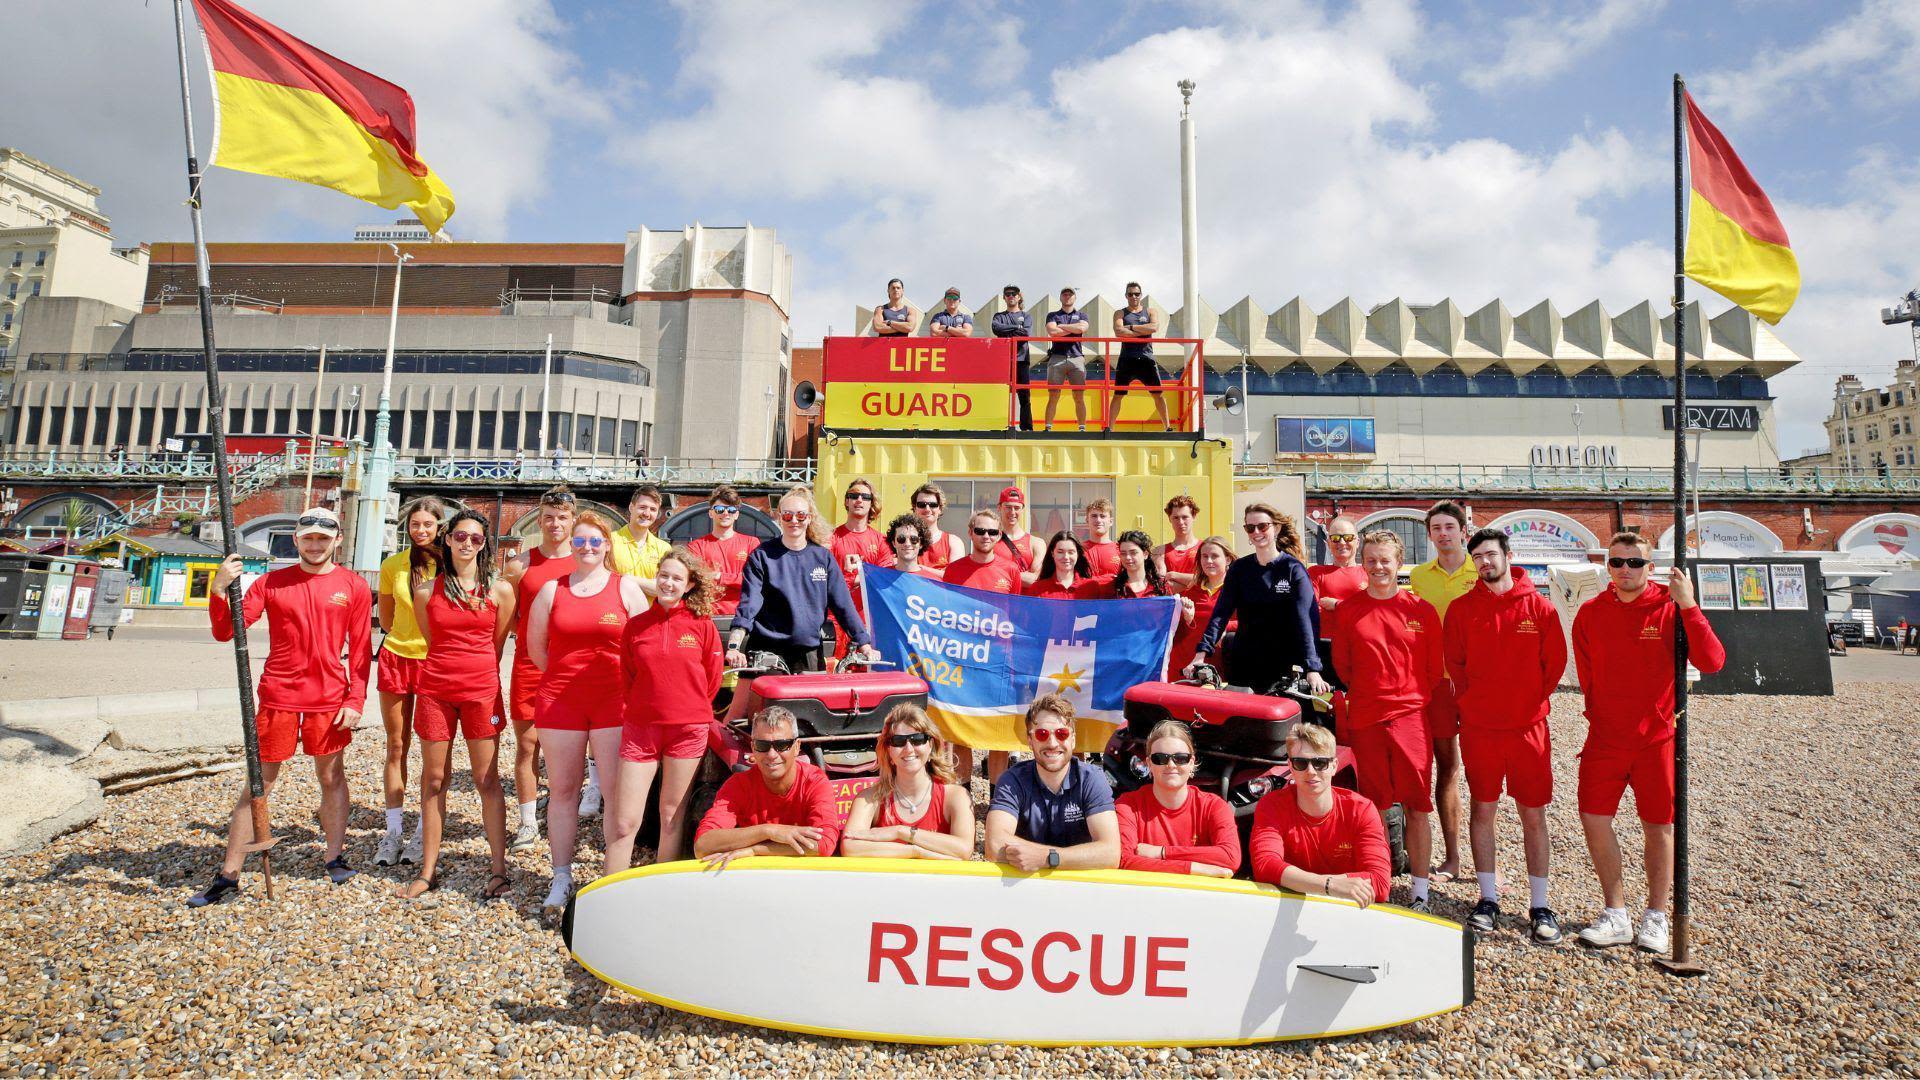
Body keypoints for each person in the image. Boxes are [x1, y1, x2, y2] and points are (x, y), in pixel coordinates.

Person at [190, 507, 370, 906]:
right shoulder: (270, 583)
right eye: (308, 538)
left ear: (337, 540)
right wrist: (219, 590)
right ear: (296, 539)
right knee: (260, 783)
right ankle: (229, 873)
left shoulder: (353, 586)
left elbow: (360, 651)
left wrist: (356, 699)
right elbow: (226, 633)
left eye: (323, 538)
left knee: (331, 777)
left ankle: (334, 855)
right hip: (279, 695)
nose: (315, 544)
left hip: (330, 698)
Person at [1571, 532, 1726, 953]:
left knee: (1658, 826)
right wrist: (1600, 713)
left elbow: (1712, 661)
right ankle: (1616, 912)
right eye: (1616, 563)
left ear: (1650, 567)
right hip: (1604, 737)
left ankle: (1656, 915)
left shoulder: (1670, 608)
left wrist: (1689, 603)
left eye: (1634, 563)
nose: (1625, 570)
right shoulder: (1590, 612)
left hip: (1656, 738)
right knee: (1593, 817)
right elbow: (1586, 670)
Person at [1444, 527, 1567, 942]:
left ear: (1508, 555)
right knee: (1483, 809)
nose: (1485, 563)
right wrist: (1476, 704)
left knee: (1533, 815)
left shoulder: (1540, 608)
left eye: (1491, 554)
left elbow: (1554, 667)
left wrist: (1526, 704)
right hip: (1480, 730)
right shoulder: (1462, 610)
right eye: (1477, 556)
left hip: (1528, 729)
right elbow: (1455, 666)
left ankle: (1540, 905)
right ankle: (1488, 897)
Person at [527, 512, 649, 910]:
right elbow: (536, 650)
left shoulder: (626, 588)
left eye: (595, 542)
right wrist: (567, 677)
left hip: (614, 701)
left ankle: (612, 877)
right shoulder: (551, 590)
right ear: (571, 546)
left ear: (607, 546)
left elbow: (642, 647)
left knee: (614, 793)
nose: (587, 548)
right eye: (580, 542)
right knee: (563, 791)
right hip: (561, 700)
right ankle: (561, 876)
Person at [403, 509, 516, 901]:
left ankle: (498, 869)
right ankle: (428, 869)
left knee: (487, 779)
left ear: (484, 545)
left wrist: (475, 670)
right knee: (434, 780)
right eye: (461, 536)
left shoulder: (499, 590)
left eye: (477, 538)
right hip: (436, 690)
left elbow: (497, 645)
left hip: (481, 691)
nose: (468, 543)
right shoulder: (424, 592)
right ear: (447, 539)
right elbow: (431, 639)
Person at [1330, 530, 1444, 911]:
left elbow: (1432, 669)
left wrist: (1406, 695)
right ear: (1363, 562)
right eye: (1372, 560)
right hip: (1366, 715)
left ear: (1399, 563)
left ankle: (1420, 891)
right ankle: (1378, 882)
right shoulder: (1348, 610)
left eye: (1386, 560)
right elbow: (1343, 667)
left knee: (1417, 805)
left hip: (1411, 716)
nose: (1379, 567)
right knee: (1374, 804)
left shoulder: (1421, 610)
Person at [607, 548, 724, 873]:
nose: (668, 583)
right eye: (664, 576)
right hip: (641, 730)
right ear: (655, 578)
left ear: (688, 585)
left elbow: (711, 681)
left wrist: (687, 708)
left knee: (672, 815)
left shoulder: (702, 626)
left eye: (676, 578)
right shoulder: (636, 626)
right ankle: (611, 891)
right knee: (624, 821)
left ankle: (659, 890)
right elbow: (628, 678)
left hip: (687, 731)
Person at [727, 486, 875, 674]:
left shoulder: (823, 558)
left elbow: (843, 606)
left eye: (801, 516)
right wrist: (734, 644)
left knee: (811, 703)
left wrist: (864, 644)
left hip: (809, 652)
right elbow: (750, 603)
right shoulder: (762, 556)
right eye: (788, 515)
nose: (794, 521)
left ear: (809, 518)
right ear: (779, 517)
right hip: (768, 653)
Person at [502, 485, 577, 851]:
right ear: (540, 519)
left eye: (562, 517)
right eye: (548, 517)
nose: (555, 524)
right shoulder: (519, 565)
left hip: (570, 666)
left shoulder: (585, 561)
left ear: (572, 520)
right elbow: (504, 619)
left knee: (569, 744)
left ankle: (566, 809)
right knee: (528, 743)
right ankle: (528, 820)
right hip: (529, 664)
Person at [1186, 504, 1328, 697]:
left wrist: (1313, 668)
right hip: (1245, 661)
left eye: (1262, 526)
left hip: (1283, 663)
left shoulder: (1293, 569)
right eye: (1250, 528)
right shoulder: (1240, 569)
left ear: (1276, 528)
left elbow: (1307, 620)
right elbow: (1221, 614)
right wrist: (1201, 653)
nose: (1256, 532)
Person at [373, 496, 446, 867]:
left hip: (435, 661)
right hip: (397, 657)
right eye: (415, 525)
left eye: (427, 525)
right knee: (396, 744)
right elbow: (386, 619)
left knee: (434, 749)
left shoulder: (449, 564)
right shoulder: (393, 565)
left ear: (439, 527)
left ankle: (425, 829)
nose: (420, 531)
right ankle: (393, 829)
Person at [1249, 723, 1391, 907]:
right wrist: (1328, 885)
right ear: (1290, 767)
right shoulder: (1272, 805)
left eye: (1320, 763)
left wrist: (1317, 884)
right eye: (1301, 763)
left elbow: (1380, 882)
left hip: (1347, 911)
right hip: (1290, 907)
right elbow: (1265, 866)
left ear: (1334, 766)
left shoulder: (1361, 809)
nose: (1311, 771)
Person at [1409, 500, 1475, 884]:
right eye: (1437, 528)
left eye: (1450, 527)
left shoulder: (1481, 570)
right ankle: (1452, 858)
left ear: (1463, 530)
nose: (1444, 534)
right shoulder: (1419, 577)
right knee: (1447, 768)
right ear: (1430, 534)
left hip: (1477, 684)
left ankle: (1487, 861)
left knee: (1484, 775)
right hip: (1437, 684)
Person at [985, 695, 1120, 871]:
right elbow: (994, 846)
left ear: (1073, 739)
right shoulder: (1012, 781)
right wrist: (1077, 857)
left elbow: (1110, 853)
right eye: (1042, 734)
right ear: (1029, 740)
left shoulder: (1092, 779)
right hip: (1025, 886)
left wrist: (1048, 858)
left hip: (1080, 886)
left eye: (1061, 733)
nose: (1052, 743)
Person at [694, 706, 841, 867]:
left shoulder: (814, 781)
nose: (771, 754)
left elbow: (824, 844)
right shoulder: (738, 785)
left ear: (797, 747)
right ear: (753, 748)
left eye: (782, 745)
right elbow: (702, 845)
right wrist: (769, 831)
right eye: (763, 745)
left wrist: (756, 850)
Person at [840, 704, 976, 859]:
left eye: (917, 739)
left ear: (930, 745)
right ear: (888, 750)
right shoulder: (870, 798)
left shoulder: (955, 796)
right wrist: (915, 851)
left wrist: (901, 832)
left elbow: (964, 849)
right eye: (898, 741)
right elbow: (850, 847)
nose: (909, 748)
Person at [1115, 720, 1239, 877]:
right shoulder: (1128, 805)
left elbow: (1230, 857)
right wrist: (1195, 868)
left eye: (1180, 758)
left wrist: (1162, 852)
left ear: (1192, 763)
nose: (1171, 765)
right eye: (1160, 758)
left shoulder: (1214, 806)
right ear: (1149, 764)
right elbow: (1123, 860)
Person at [831, 478, 894, 656]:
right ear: (846, 501)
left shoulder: (881, 542)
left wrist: (857, 577)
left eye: (865, 497)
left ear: (871, 503)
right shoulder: (831, 538)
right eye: (854, 495)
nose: (859, 500)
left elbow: (883, 580)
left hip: (869, 619)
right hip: (837, 619)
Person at [686, 484, 760, 615]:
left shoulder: (751, 543)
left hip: (743, 614)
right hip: (707, 613)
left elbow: (754, 580)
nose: (725, 513)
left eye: (731, 509)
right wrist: (736, 578)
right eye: (719, 509)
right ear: (710, 513)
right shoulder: (696, 546)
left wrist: (720, 576)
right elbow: (697, 580)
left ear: (736, 514)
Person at [1107, 282, 1172, 432]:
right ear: (1126, 296)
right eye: (1130, 294)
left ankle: (1167, 427)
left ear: (1141, 295)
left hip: (1146, 358)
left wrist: (1129, 328)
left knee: (1158, 394)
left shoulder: (1150, 311)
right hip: (1127, 359)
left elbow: (1154, 328)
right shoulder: (1120, 313)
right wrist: (1142, 331)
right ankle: (1109, 428)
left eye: (1136, 294)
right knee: (1118, 394)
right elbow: (1118, 331)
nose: (1134, 297)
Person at [1170, 536, 1233, 675]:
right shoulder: (1192, 591)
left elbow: (1252, 623)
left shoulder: (1238, 591)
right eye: (1204, 556)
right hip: (1185, 667)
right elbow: (1175, 631)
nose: (1209, 561)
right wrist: (1188, 619)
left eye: (1214, 556)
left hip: (1221, 669)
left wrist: (1227, 627)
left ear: (1228, 559)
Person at [1308, 515, 1368, 643]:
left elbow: (1371, 612)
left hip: (1360, 644)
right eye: (1335, 538)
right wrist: (1354, 608)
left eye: (1348, 538)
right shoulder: (1315, 573)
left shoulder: (1369, 573)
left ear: (1357, 542)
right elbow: (1311, 608)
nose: (1341, 542)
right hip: (1325, 645)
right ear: (1329, 543)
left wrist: (1337, 604)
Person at [1041, 287, 1091, 432]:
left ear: (1075, 297)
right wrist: (1072, 329)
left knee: (1079, 396)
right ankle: (1048, 427)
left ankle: (1082, 428)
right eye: (1065, 294)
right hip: (1057, 357)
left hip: (1077, 358)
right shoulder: (1052, 315)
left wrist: (1061, 326)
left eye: (1070, 294)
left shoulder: (1082, 315)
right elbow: (1052, 331)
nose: (1067, 296)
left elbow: (1082, 328)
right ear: (1061, 297)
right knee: (1054, 395)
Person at [609, 483, 672, 594]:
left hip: (651, 611)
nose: (647, 513)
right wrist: (650, 584)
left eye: (653, 509)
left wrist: (627, 579)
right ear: (631, 507)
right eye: (642, 507)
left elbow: (664, 589)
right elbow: (604, 582)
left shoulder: (664, 549)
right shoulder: (610, 541)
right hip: (617, 610)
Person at [942, 509, 1020, 594]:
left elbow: (1015, 606)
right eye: (980, 531)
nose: (986, 536)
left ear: (999, 536)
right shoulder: (953, 570)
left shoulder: (1011, 570)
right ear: (970, 533)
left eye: (992, 532)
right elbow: (947, 604)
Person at [992, 284, 1034, 431]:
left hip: (1022, 359)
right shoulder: (999, 316)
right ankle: (1000, 426)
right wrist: (1017, 328)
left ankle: (1026, 428)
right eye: (1008, 294)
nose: (1011, 296)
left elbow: (1026, 334)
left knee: (1024, 395)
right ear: (1004, 297)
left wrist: (1008, 331)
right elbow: (996, 328)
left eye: (1014, 293)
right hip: (1004, 360)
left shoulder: (1027, 315)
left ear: (1019, 296)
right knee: (1001, 394)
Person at [908, 482, 968, 570]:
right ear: (914, 508)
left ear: (940, 509)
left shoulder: (953, 542)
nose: (927, 509)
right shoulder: (902, 540)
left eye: (933, 505)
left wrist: (919, 568)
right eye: (922, 505)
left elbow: (954, 577)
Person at [1025, 531, 1100, 600]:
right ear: (1052, 554)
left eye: (1071, 552)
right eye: (1060, 552)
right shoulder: (1037, 589)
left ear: (1078, 554)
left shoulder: (1091, 587)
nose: (1066, 557)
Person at [995, 485, 1046, 584]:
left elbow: (1034, 580)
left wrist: (1000, 573)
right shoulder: (990, 540)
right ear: (999, 508)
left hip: (1026, 599)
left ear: (1022, 510)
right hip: (998, 599)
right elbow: (987, 573)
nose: (1012, 512)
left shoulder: (1036, 543)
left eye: (1017, 508)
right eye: (1008, 507)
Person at [1157, 494, 1203, 590]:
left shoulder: (1204, 548)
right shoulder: (1160, 551)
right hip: (1173, 604)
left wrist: (1173, 575)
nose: (1181, 522)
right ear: (1169, 518)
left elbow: (1207, 580)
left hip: (1200, 604)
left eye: (1185, 517)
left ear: (1194, 516)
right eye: (1176, 518)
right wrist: (1192, 582)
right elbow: (1161, 586)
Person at [1110, 529, 1170, 599]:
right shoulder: (1113, 587)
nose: (1128, 557)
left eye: (1133, 552)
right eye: (1123, 553)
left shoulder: (1161, 586)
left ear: (1145, 554)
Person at [884, 513, 945, 580]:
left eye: (913, 539)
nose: (907, 544)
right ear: (894, 543)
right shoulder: (880, 577)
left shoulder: (933, 582)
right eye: (901, 539)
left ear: (921, 544)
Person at [1082, 498, 1121, 584]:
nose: (1098, 520)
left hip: (1114, 597)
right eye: (1094, 516)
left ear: (1111, 521)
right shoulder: (1078, 550)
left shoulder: (1120, 550)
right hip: (1085, 597)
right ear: (1087, 520)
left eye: (1102, 516)